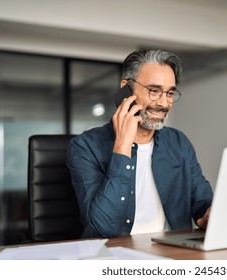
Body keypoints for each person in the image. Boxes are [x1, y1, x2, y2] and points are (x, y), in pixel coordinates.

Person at [67, 49, 213, 238]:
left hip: (172, 253)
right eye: (154, 91)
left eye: (169, 93)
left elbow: (203, 203)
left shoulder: (179, 143)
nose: (163, 103)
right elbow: (102, 227)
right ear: (126, 88)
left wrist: (208, 215)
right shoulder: (84, 147)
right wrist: (122, 146)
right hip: (115, 257)